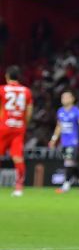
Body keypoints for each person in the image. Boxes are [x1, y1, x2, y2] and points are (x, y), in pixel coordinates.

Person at [49, 90, 79, 194]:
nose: (64, 99)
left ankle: (66, 185)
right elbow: (59, 126)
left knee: (68, 162)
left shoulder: (77, 111)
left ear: (72, 99)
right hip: (64, 141)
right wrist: (54, 139)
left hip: (74, 141)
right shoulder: (60, 111)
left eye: (67, 97)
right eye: (63, 97)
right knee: (72, 164)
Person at [0, 66, 32, 197]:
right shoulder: (26, 91)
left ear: (7, 76)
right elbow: (29, 111)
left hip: (4, 126)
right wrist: (24, 124)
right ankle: (19, 188)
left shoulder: (2, 89)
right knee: (17, 157)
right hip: (19, 127)